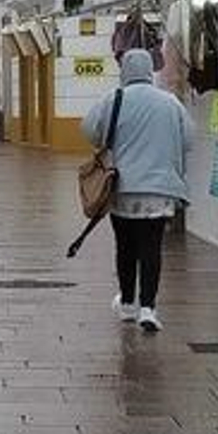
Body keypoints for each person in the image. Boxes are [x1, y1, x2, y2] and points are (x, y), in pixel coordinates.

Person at [81, 49, 190, 333]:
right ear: (149, 70)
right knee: (152, 248)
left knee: (125, 246)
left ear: (125, 70)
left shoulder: (113, 99)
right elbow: (188, 138)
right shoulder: (170, 102)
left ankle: (128, 304)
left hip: (123, 189)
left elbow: (89, 130)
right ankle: (148, 308)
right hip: (160, 190)